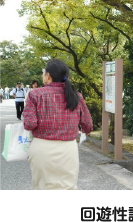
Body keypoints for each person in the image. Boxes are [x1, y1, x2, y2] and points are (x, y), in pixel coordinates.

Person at [23, 59, 93, 192]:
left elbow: (29, 124)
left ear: (48, 75)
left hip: (42, 148)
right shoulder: (76, 96)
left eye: (44, 72)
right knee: (68, 189)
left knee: (42, 189)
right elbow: (88, 125)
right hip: (68, 149)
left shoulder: (35, 94)